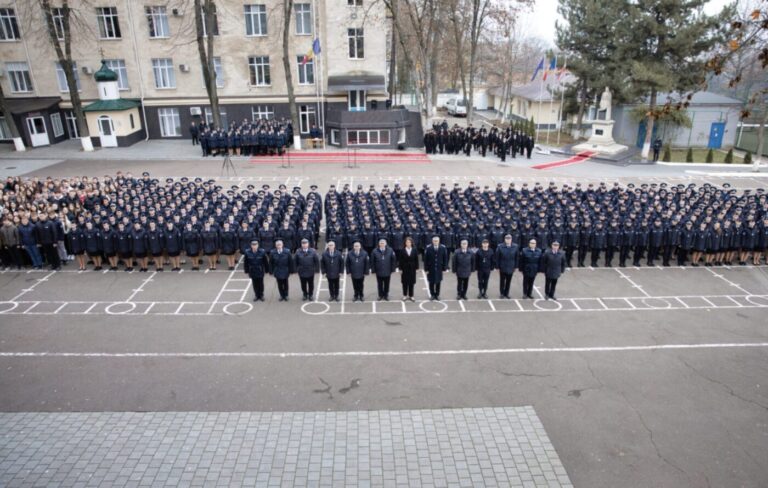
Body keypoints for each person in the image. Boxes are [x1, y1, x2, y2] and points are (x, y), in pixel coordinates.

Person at [424, 235, 449, 301]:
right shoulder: (428, 248)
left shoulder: (443, 248)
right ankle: (432, 294)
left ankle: (437, 295)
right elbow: (426, 259)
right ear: (432, 241)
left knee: (438, 282)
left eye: (437, 241)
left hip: (439, 268)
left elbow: (445, 258)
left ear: (439, 241)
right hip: (431, 268)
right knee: (431, 282)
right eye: (434, 241)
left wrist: (445, 268)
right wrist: (426, 269)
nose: (435, 242)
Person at [494, 234, 518, 299]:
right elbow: (497, 258)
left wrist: (516, 266)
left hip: (511, 266)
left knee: (508, 281)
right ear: (505, 239)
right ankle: (502, 293)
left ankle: (506, 293)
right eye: (507, 239)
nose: (508, 240)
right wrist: (497, 267)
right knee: (502, 281)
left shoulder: (515, 246)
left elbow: (517, 257)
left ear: (511, 239)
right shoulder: (500, 246)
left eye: (509, 239)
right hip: (502, 266)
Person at [398, 237, 419, 302]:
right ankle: (405, 295)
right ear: (405, 243)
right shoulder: (402, 250)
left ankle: (411, 295)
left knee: (411, 282)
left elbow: (416, 260)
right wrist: (400, 269)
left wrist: (417, 268)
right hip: (404, 268)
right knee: (404, 282)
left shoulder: (414, 250)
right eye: (407, 242)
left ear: (411, 243)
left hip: (412, 268)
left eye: (409, 242)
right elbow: (400, 260)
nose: (408, 243)